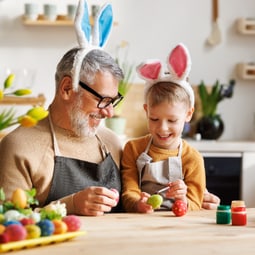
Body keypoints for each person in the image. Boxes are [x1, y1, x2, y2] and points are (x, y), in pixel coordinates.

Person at [0, 0, 124, 216]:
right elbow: (9, 224)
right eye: (102, 100)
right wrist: (70, 204)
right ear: (67, 88)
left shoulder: (112, 143)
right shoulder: (19, 147)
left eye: (112, 101)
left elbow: (138, 200)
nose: (109, 112)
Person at [121, 43, 212, 213]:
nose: (162, 128)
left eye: (172, 120)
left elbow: (195, 206)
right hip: (139, 224)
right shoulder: (132, 149)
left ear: (188, 114)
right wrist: (137, 203)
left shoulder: (193, 159)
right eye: (154, 119)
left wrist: (183, 199)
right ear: (146, 111)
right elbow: (129, 192)